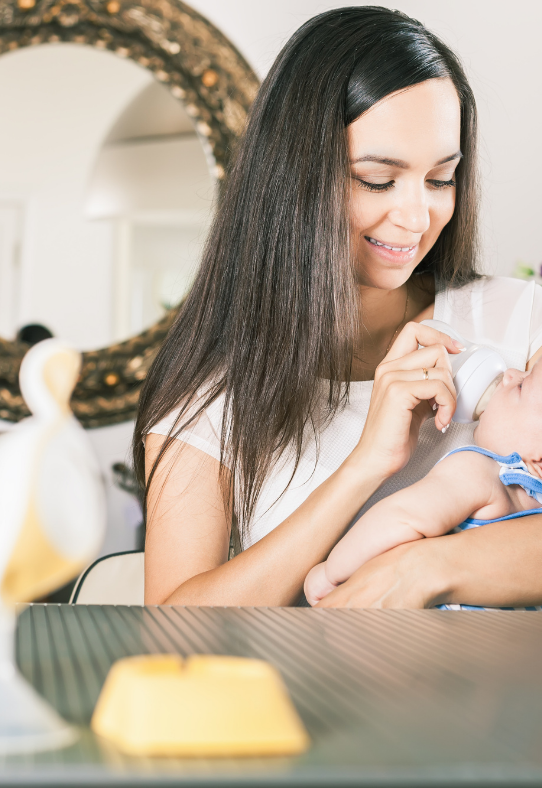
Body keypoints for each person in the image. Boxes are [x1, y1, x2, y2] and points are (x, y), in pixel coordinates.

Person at [134, 7, 542, 608]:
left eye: (440, 179)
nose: (416, 217)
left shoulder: (518, 323)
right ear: (294, 179)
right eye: (378, 179)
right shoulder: (214, 391)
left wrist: (431, 566)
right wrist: (366, 465)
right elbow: (173, 620)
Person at [305, 362, 542, 608]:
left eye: (522, 386)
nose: (510, 374)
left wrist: (331, 572)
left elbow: (403, 517)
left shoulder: (480, 471)